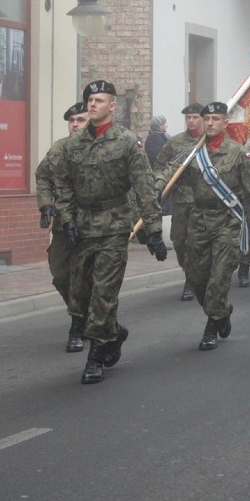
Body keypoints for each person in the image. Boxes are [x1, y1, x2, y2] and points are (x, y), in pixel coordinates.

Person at [55, 80, 168, 385]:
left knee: (103, 294)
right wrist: (66, 218)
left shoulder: (127, 142)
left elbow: (144, 186)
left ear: (112, 106)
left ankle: (95, 358)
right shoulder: (73, 144)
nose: (93, 105)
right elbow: (62, 184)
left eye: (99, 100)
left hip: (115, 226)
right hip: (82, 225)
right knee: (79, 297)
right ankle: (114, 334)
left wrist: (154, 231)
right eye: (90, 100)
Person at [158, 102, 250, 350]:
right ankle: (222, 310)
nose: (209, 123)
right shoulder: (192, 152)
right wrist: (157, 189)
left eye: (215, 119)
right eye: (206, 118)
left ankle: (212, 324)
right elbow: (169, 170)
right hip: (198, 220)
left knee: (218, 278)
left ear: (225, 123)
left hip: (227, 221)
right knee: (196, 276)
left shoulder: (239, 154)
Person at [35, 102, 89, 352]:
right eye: (72, 120)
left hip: (93, 225)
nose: (76, 124)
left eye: (81, 119)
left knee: (85, 278)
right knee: (60, 274)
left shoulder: (99, 147)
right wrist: (46, 204)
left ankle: (79, 326)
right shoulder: (59, 148)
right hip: (62, 226)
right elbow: (43, 175)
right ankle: (85, 314)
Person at [153, 103, 204, 301]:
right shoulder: (174, 142)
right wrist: (163, 184)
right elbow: (159, 165)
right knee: (180, 241)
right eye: (188, 117)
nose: (191, 121)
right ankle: (190, 273)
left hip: (202, 201)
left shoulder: (208, 141)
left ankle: (191, 281)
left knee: (197, 242)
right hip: (182, 200)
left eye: (194, 117)